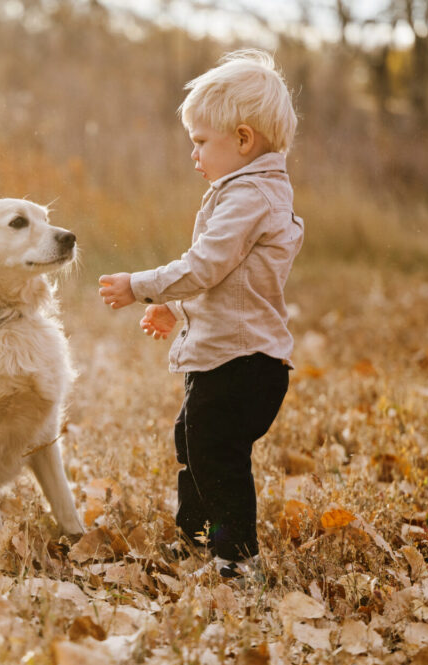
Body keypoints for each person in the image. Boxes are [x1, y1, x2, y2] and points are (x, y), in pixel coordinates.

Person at [98, 49, 303, 580]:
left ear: (242, 139)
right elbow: (227, 277)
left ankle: (237, 557)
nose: (194, 154)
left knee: (216, 451)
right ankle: (198, 539)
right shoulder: (243, 192)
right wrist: (174, 307)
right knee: (191, 440)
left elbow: (206, 264)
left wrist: (140, 287)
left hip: (244, 364)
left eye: (201, 141)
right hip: (225, 357)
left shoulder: (250, 197)